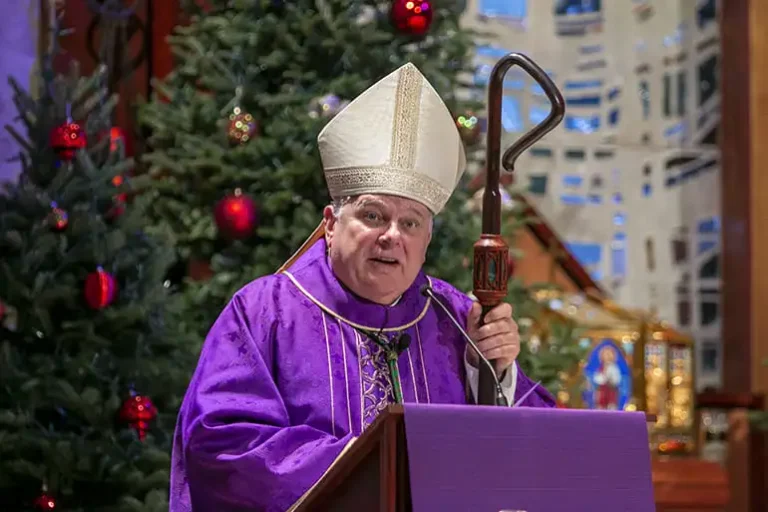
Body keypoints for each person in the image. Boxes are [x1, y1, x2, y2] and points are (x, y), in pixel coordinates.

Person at [170, 62, 555, 512]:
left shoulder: (457, 316)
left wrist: (492, 372)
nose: (392, 235)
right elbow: (224, 443)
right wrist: (375, 468)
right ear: (331, 224)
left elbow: (542, 449)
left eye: (411, 222)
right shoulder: (264, 311)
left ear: (427, 240)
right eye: (373, 215)